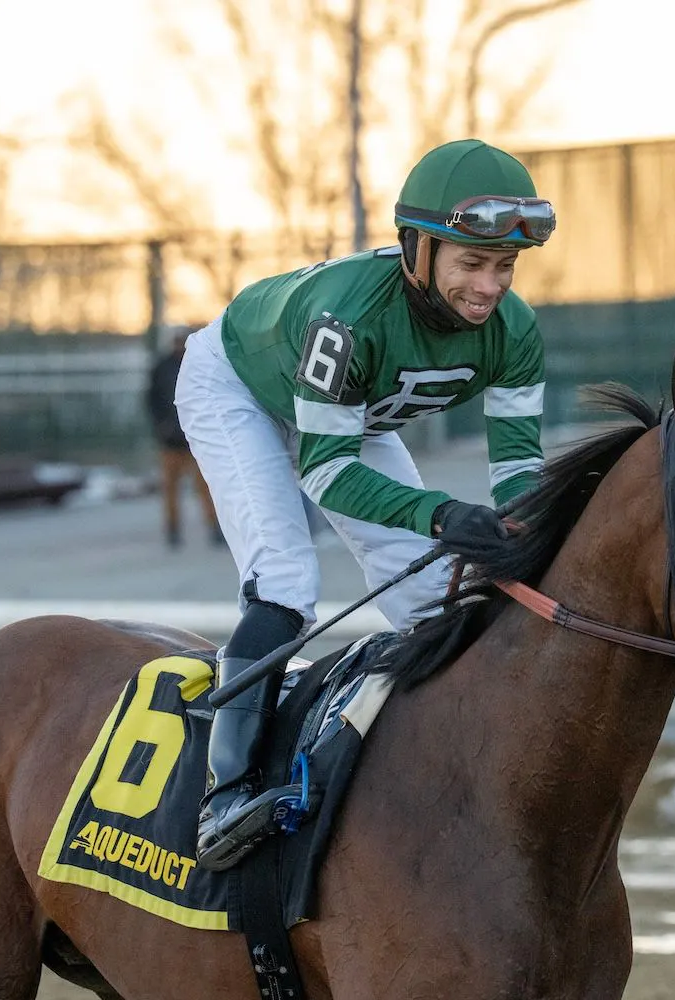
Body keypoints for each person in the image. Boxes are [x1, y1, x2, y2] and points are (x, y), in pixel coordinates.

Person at [175, 138, 556, 869]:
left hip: (355, 412)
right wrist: (441, 514)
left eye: (504, 266)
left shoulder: (518, 332)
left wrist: (526, 533)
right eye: (471, 264)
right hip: (240, 389)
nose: (490, 287)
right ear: (416, 250)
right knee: (286, 581)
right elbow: (325, 474)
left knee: (431, 597)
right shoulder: (347, 318)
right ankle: (225, 797)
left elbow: (519, 478)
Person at [146, 323, 222, 547]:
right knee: (170, 488)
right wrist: (161, 425)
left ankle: (214, 527)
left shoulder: (197, 364)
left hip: (195, 439)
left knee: (206, 487)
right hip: (170, 440)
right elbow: (152, 400)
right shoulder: (162, 367)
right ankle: (172, 529)